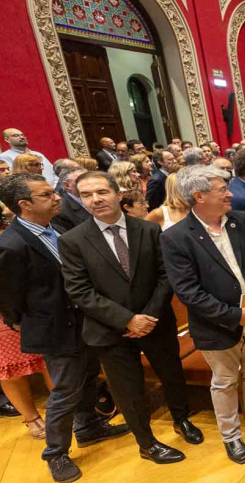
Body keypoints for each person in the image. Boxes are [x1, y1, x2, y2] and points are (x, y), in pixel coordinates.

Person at [59, 171, 202, 465]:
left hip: (156, 321)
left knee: (171, 373)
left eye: (101, 192)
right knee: (128, 389)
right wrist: (127, 320)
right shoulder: (72, 240)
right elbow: (80, 291)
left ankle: (181, 418)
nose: (95, 199)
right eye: (86, 195)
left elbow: (165, 276)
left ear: (117, 193)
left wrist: (148, 315)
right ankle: (146, 443)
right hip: (110, 329)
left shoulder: (147, 229)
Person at [0, 173, 128, 483]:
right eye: (46, 195)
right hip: (54, 329)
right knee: (64, 391)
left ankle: (88, 429)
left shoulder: (54, 227)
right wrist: (25, 319)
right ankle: (55, 453)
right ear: (24, 204)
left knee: (86, 379)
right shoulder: (11, 245)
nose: (57, 197)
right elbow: (9, 297)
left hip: (82, 322)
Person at [161, 165, 245, 465]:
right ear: (198, 196)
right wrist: (234, 315)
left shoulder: (244, 221)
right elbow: (189, 292)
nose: (229, 194)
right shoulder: (176, 237)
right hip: (218, 325)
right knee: (225, 382)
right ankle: (231, 436)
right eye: (221, 189)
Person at [0, 200, 50, 439]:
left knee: (48, 359)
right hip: (2, 315)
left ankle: (61, 411)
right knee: (10, 369)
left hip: (28, 305)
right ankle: (31, 418)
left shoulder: (12, 231)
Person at [50, 167, 89, 232]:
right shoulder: (61, 211)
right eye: (83, 180)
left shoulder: (100, 198)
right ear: (67, 185)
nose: (90, 183)